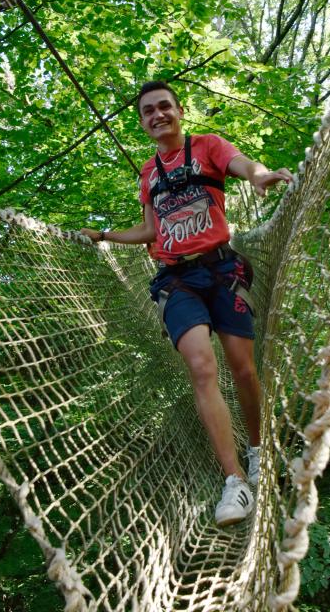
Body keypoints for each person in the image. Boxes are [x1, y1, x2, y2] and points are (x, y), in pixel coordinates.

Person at [81, 81, 292, 526]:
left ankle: (256, 450)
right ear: (142, 123)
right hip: (175, 279)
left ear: (179, 111)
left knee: (243, 368)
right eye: (147, 111)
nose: (157, 115)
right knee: (201, 366)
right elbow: (151, 232)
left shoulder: (208, 147)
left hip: (220, 271)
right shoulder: (148, 173)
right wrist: (103, 236)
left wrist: (260, 176)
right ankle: (234, 483)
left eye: (164, 107)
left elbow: (242, 165)